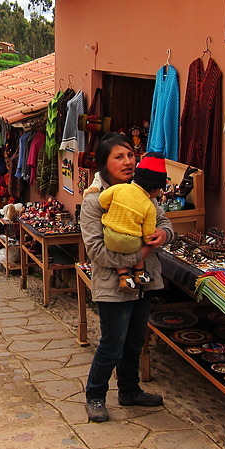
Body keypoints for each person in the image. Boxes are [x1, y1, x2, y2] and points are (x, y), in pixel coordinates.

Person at [80, 132, 172, 423]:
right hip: (112, 286)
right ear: (104, 164)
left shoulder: (142, 191)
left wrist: (163, 234)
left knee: (134, 341)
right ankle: (95, 395)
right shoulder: (95, 200)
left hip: (144, 283)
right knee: (112, 343)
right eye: (119, 156)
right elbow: (96, 251)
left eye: (131, 155)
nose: (128, 161)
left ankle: (129, 391)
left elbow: (165, 221)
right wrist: (141, 255)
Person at [99, 152, 168, 289]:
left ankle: (123, 276)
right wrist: (149, 243)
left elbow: (102, 199)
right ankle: (139, 273)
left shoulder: (119, 188)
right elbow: (148, 232)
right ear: (154, 188)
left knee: (117, 249)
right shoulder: (149, 205)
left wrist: (109, 207)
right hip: (131, 241)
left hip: (110, 235)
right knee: (140, 243)